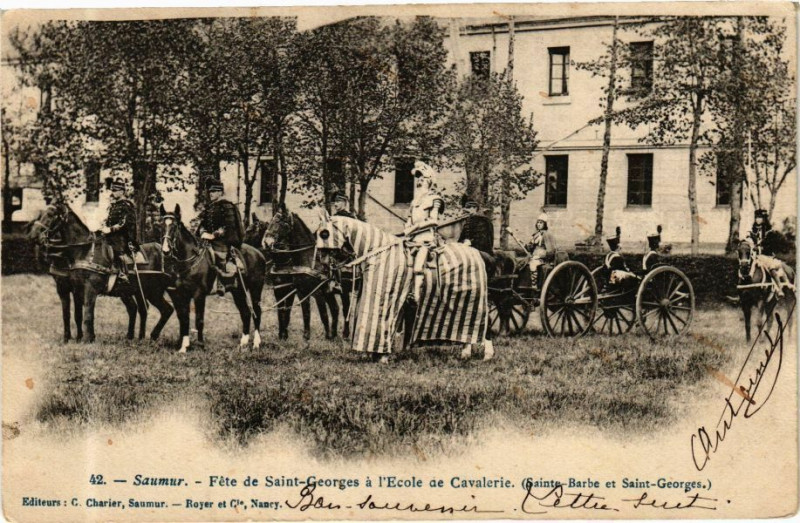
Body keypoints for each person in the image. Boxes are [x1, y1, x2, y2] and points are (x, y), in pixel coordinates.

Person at [196, 177, 245, 296]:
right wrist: (203, 232)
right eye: (210, 192)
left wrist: (215, 235)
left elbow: (229, 225)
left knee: (219, 256)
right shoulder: (210, 207)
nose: (210, 194)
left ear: (220, 192)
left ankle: (221, 283)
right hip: (207, 240)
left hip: (223, 241)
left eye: (213, 191)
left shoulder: (227, 206)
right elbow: (203, 223)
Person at [404, 160, 444, 303]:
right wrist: (407, 228)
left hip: (425, 239)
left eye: (423, 178)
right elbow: (409, 219)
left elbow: (434, 221)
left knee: (418, 266)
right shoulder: (414, 202)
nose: (419, 180)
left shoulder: (435, 199)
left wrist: (414, 228)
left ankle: (417, 296)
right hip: (411, 240)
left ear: (430, 181)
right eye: (418, 178)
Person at [747, 209, 794, 297]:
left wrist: (758, 248)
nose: (757, 219)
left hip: (767, 256)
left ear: (764, 219)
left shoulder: (770, 233)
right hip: (755, 256)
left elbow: (771, 247)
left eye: (760, 218)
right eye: (756, 217)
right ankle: (743, 290)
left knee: (771, 267)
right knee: (744, 265)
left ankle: (779, 289)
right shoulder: (753, 231)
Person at [101, 177, 138, 284]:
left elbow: (124, 222)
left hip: (122, 235)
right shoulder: (114, 205)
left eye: (115, 191)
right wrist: (103, 226)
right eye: (113, 190)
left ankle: (123, 273)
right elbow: (109, 220)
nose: (113, 193)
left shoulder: (127, 204)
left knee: (117, 250)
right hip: (111, 234)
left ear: (122, 191)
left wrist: (111, 229)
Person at [525, 213, 557, 288]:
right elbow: (531, 248)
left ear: (544, 224)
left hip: (544, 259)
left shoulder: (547, 235)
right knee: (523, 263)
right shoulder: (535, 235)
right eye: (538, 222)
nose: (539, 224)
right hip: (534, 257)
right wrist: (527, 246)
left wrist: (540, 256)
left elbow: (551, 250)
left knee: (533, 264)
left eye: (541, 223)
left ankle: (534, 285)